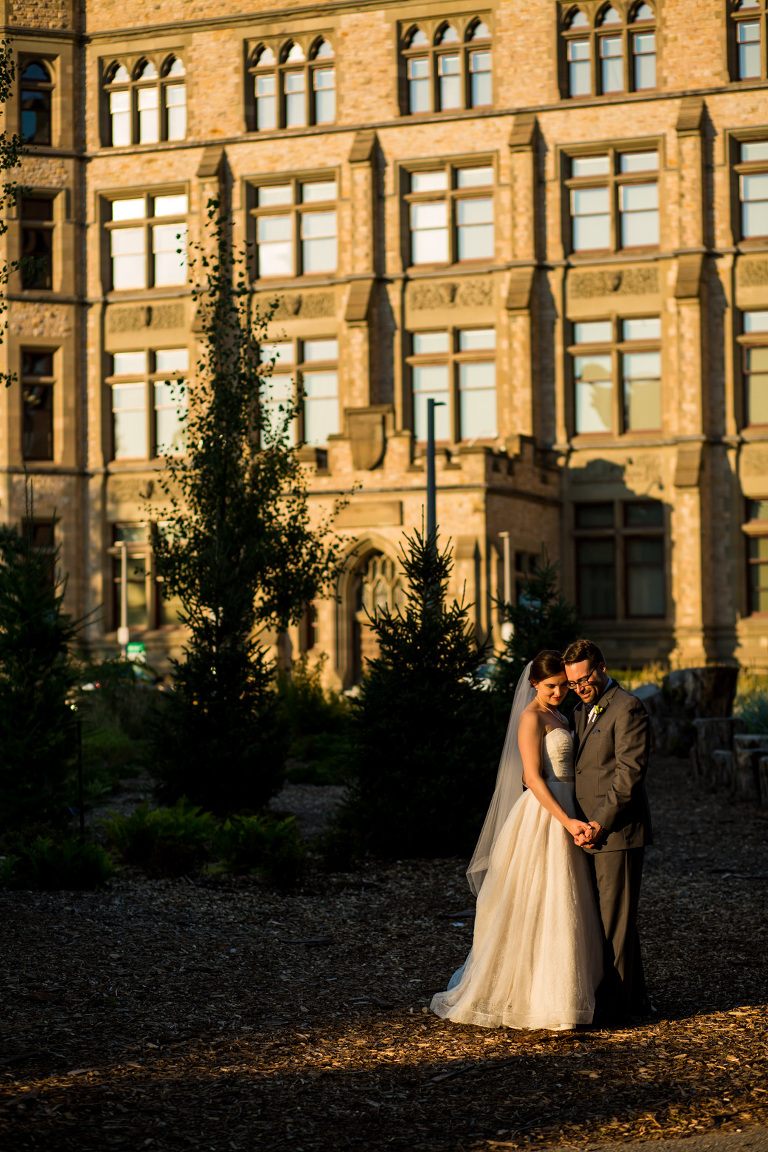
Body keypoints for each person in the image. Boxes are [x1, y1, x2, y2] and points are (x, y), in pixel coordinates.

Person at [430, 650, 603, 1031]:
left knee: (568, 903)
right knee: (542, 901)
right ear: (533, 685)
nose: (559, 692)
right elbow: (532, 778)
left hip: (571, 804)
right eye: (551, 686)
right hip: (546, 813)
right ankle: (533, 997)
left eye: (563, 685)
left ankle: (566, 990)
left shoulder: (563, 715)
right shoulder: (530, 717)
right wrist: (566, 820)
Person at [563, 638, 653, 1025]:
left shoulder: (628, 707)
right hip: (584, 831)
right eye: (573, 683)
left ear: (601, 667)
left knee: (614, 921)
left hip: (616, 833)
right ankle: (635, 1002)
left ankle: (614, 1011)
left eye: (584, 679)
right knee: (608, 920)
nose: (580, 688)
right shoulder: (579, 711)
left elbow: (628, 775)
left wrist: (599, 823)